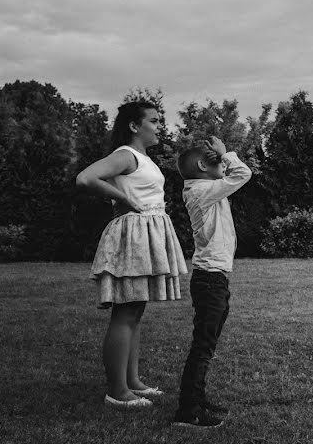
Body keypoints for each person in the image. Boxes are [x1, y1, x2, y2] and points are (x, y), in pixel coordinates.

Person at [76, 100, 188, 409]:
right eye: (153, 120)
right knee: (125, 312)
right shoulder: (125, 155)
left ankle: (132, 382)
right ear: (134, 126)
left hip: (145, 234)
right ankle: (117, 391)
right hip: (132, 236)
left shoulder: (142, 158)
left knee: (135, 311)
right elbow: (85, 178)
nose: (159, 125)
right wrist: (122, 198)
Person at [173, 136, 252, 428]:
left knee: (207, 343)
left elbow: (233, 177)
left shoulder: (206, 189)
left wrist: (221, 157)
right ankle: (188, 411)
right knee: (203, 346)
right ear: (202, 166)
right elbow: (243, 174)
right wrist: (226, 152)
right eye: (217, 160)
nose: (223, 164)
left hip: (214, 278)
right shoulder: (201, 191)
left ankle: (197, 399)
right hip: (210, 280)